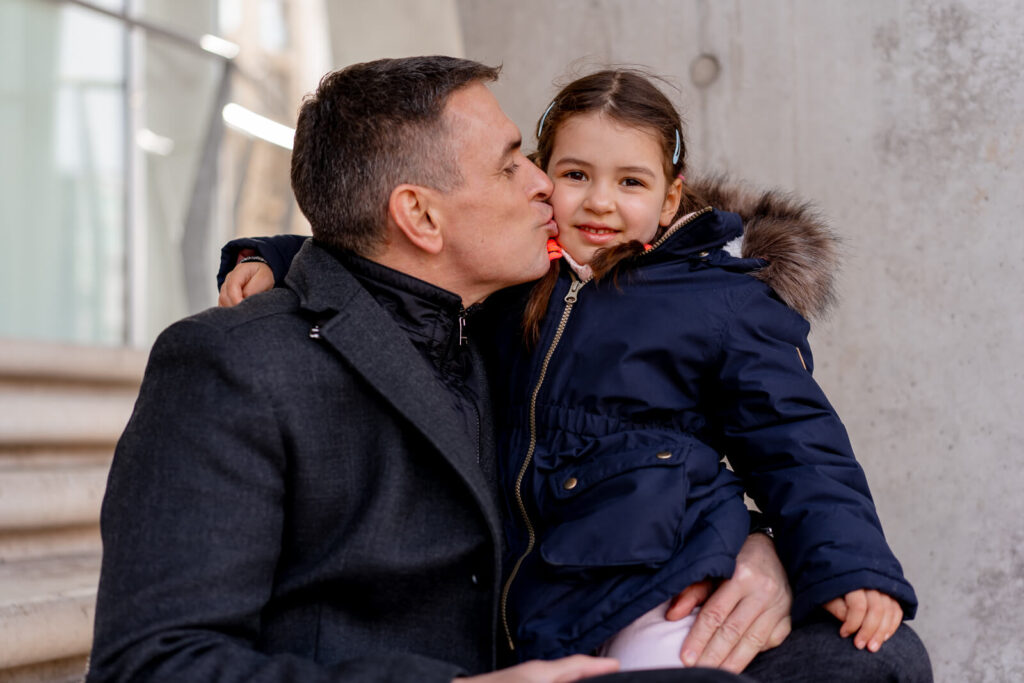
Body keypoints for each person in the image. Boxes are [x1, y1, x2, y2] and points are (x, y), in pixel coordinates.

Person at [216, 68, 932, 681]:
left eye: (631, 181)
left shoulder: (719, 300)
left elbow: (800, 441)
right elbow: (379, 253)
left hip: (665, 579)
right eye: (575, 174)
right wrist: (272, 259)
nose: (599, 201)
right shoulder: (515, 283)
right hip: (545, 582)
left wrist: (850, 566)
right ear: (539, 177)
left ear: (671, 198)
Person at [87, 56, 782, 683]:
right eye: (513, 165)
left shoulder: (512, 331)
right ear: (420, 215)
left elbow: (625, 459)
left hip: (577, 639)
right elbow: (150, 664)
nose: (548, 184)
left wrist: (749, 546)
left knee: (871, 656)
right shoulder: (230, 365)